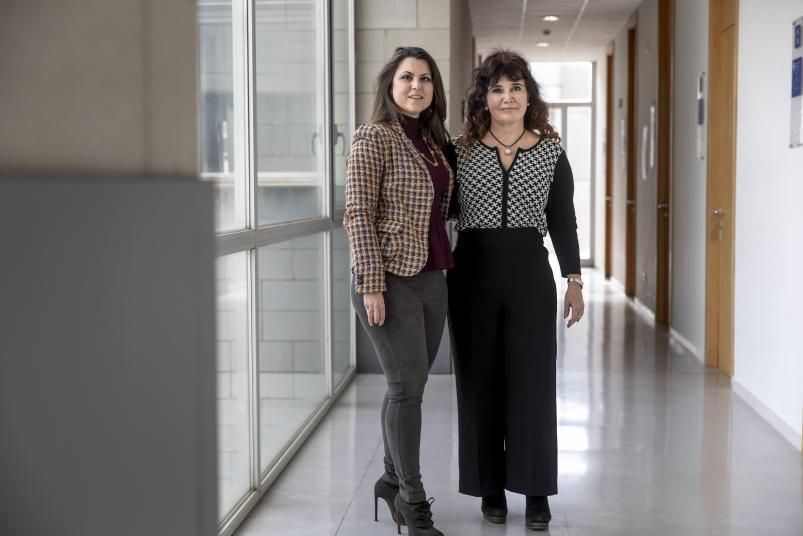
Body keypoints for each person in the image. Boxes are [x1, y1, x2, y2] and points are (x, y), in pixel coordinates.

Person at [446, 49, 585, 531]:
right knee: (478, 382)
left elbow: (562, 218)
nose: (507, 97)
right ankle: (489, 487)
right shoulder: (459, 148)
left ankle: (537, 491)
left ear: (529, 96)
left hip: (530, 273)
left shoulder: (550, 150)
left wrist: (574, 279)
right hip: (472, 274)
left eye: (516, 88)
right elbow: (438, 211)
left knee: (532, 384)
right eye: (497, 89)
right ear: (484, 98)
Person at [343, 46, 453, 536]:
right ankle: (412, 500)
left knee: (409, 387)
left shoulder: (434, 143)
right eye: (407, 77)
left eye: (426, 79)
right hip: (387, 279)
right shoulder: (373, 138)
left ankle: (389, 480)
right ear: (390, 85)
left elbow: (441, 210)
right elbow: (357, 215)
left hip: (432, 278)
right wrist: (371, 285)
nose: (417, 86)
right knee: (407, 390)